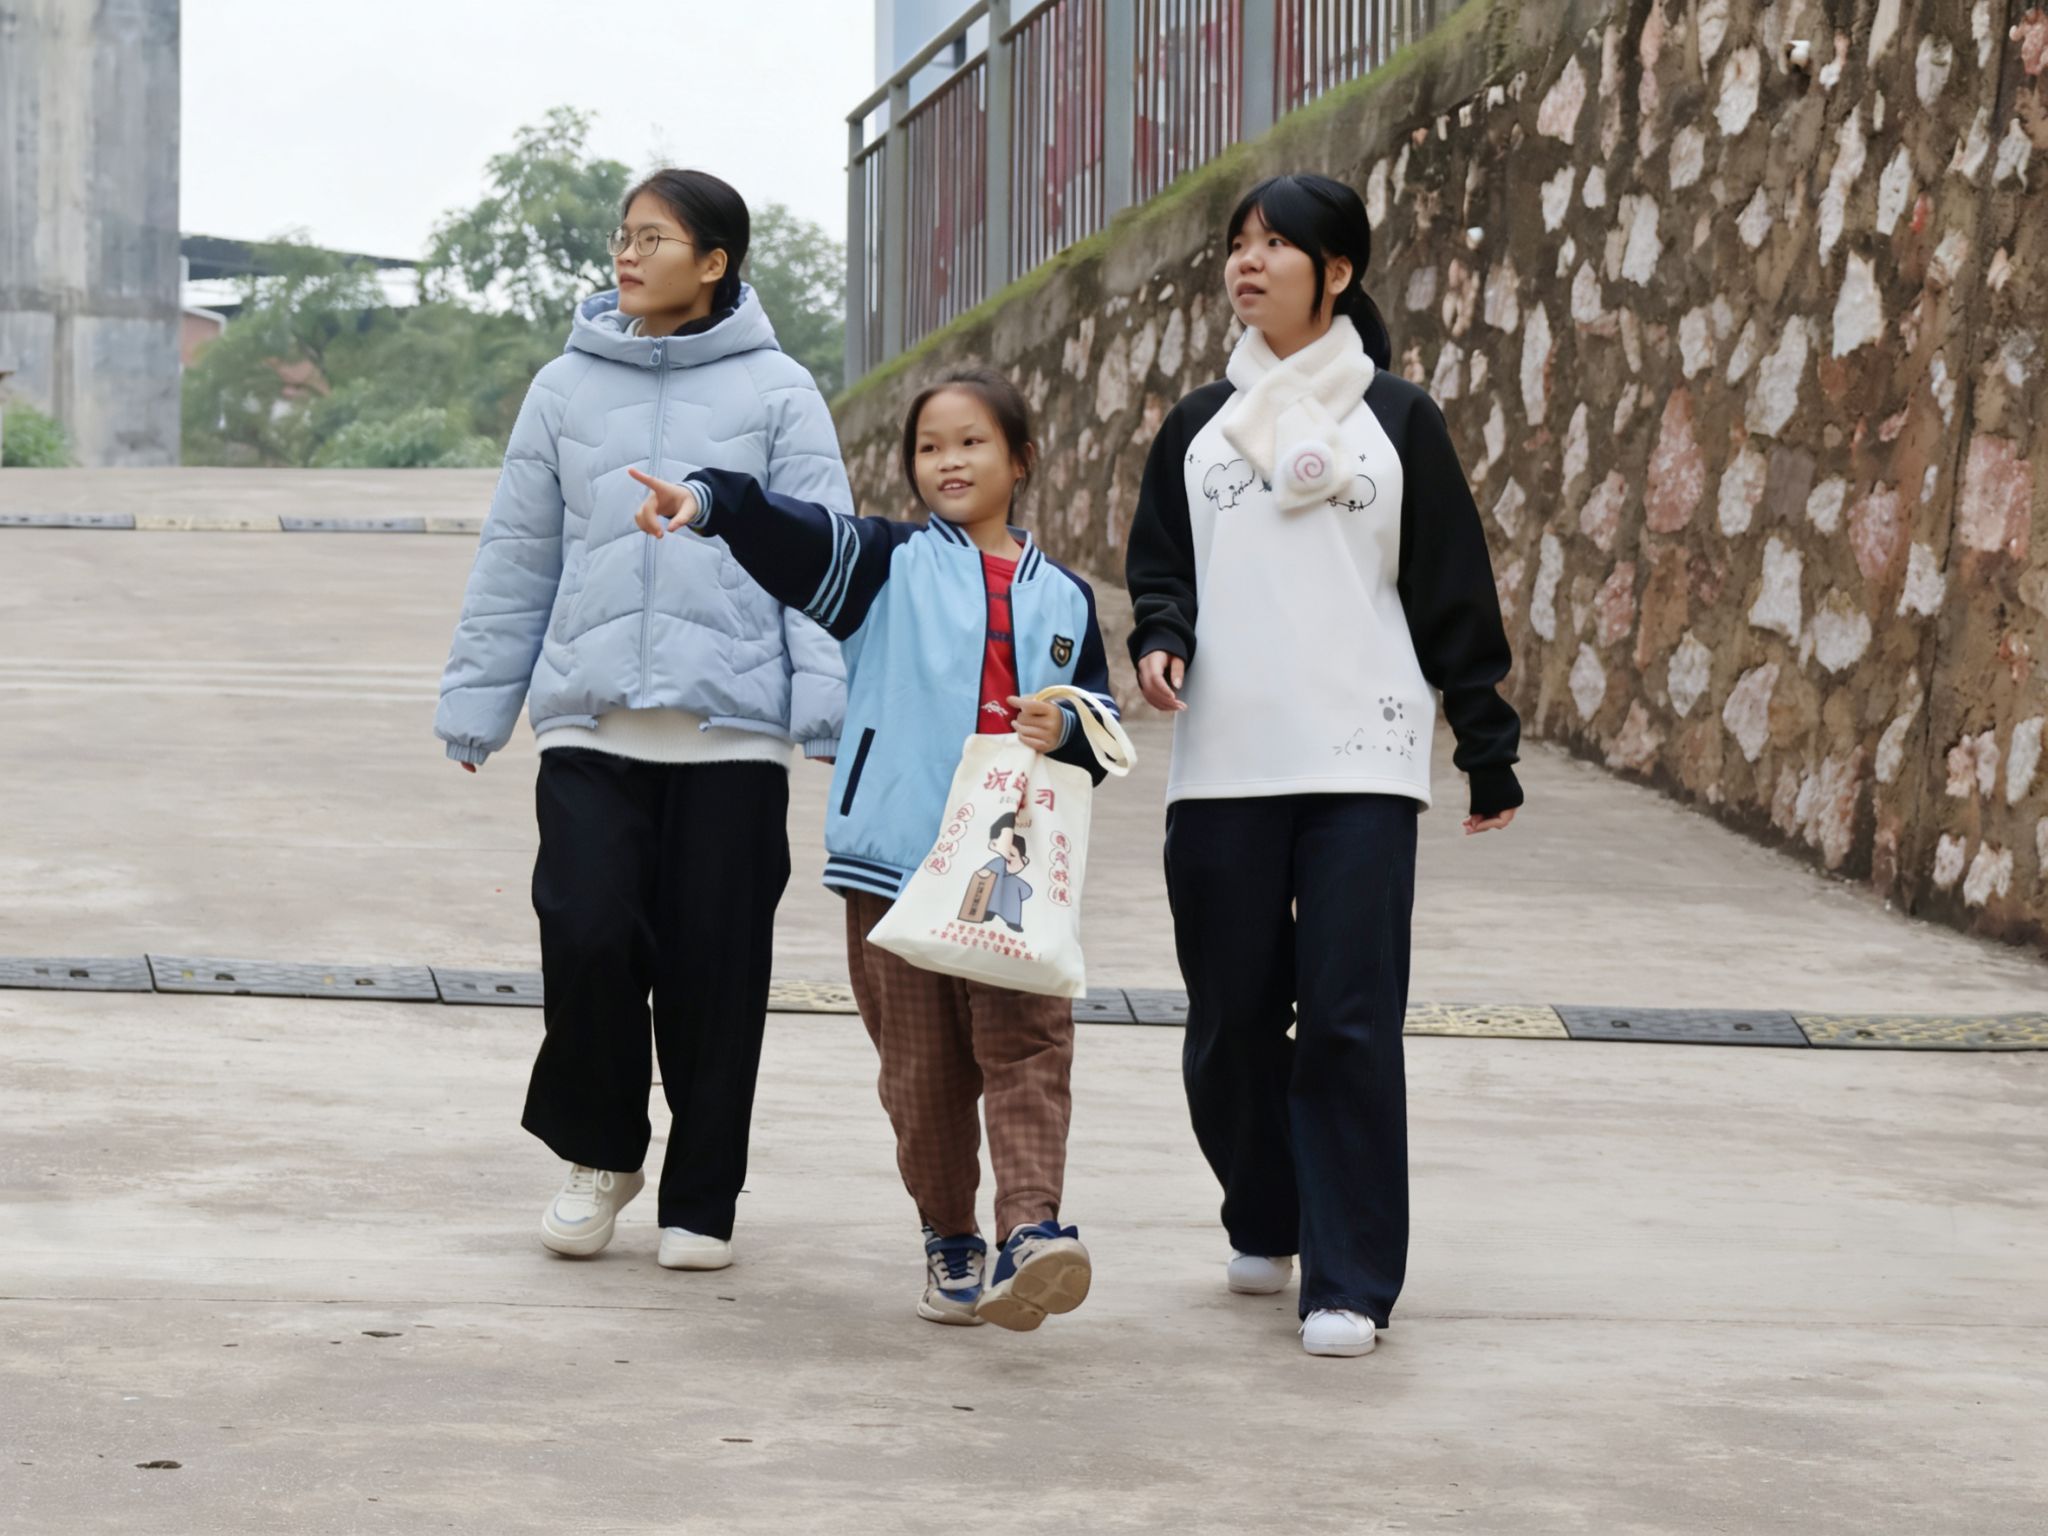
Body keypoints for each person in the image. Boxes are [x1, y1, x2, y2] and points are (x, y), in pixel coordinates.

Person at [626, 368, 1120, 1333]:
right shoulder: (883, 567)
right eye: (930, 447)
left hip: (1012, 875)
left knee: (1029, 1049)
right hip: (895, 867)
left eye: (971, 442)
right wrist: (712, 502)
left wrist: (1065, 729)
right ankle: (951, 1234)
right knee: (923, 1075)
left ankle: (1032, 1231)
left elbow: (1099, 733)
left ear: (1020, 460)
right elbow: (794, 532)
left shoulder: (1064, 597)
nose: (949, 462)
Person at [1124, 173, 1524, 1358]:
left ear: (1335, 272)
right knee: (1230, 1020)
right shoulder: (1197, 424)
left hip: (1362, 758)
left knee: (1349, 1020)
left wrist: (1484, 743)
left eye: (1273, 245)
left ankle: (1348, 1279)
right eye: (1236, 244)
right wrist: (1159, 635)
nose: (1245, 263)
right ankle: (1265, 1211)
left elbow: (1448, 584)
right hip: (1223, 762)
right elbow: (1161, 565)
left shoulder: (1397, 419)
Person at [434, 168, 849, 1274]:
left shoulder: (780, 392)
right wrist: (480, 701)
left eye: (652, 238)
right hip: (589, 720)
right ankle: (598, 1153)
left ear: (713, 263)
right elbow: (520, 551)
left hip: (731, 733)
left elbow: (820, 550)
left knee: (718, 973)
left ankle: (701, 1197)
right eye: (622, 236)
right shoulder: (563, 388)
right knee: (585, 938)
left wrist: (825, 704)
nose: (625, 254)